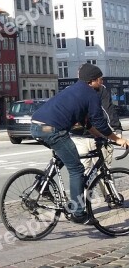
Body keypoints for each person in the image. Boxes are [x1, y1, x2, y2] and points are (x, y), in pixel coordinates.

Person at [31, 63, 129, 224]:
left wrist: (98, 136)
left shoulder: (73, 89)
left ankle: (42, 182)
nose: (102, 82)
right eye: (100, 79)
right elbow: (100, 122)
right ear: (92, 81)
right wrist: (117, 139)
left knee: (66, 155)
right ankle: (78, 212)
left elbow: (86, 122)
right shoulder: (91, 95)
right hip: (52, 129)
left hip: (38, 126)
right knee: (77, 169)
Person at [73, 82, 123, 171]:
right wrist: (117, 130)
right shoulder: (99, 88)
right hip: (96, 135)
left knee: (82, 171)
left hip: (77, 135)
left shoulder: (73, 88)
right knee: (103, 171)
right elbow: (108, 110)